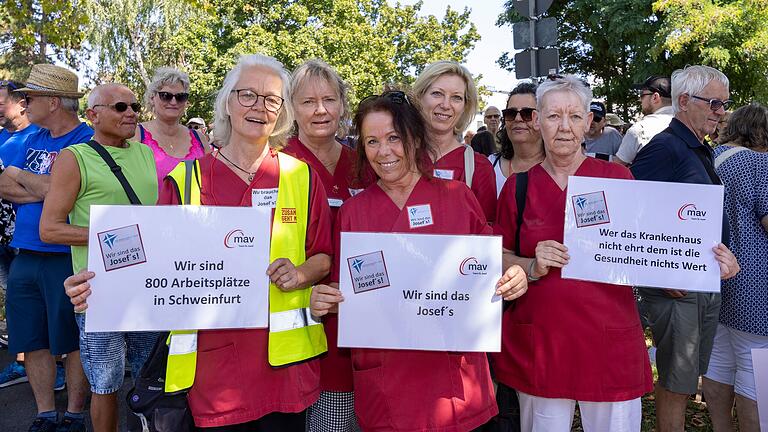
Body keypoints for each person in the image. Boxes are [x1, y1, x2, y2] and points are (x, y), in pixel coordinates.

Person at [309, 90, 528, 431]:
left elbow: (491, 262)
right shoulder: (355, 212)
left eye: (394, 138)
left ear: (414, 137)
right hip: (387, 388)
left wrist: (515, 274)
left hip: (455, 385)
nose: (384, 151)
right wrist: (327, 298)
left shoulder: (455, 197)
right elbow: (348, 290)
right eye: (372, 141)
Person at [492, 75, 654, 431]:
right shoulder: (518, 188)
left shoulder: (616, 179)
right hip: (543, 344)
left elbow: (652, 249)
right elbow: (498, 254)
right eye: (553, 116)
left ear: (587, 122)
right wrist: (531, 263)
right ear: (537, 122)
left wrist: (702, 260)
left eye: (575, 116)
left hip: (608, 341)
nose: (564, 127)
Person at [40, 83, 160, 432]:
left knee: (149, 381)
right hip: (97, 293)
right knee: (105, 385)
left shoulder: (145, 154)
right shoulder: (74, 158)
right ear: (92, 115)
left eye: (135, 105)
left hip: (148, 289)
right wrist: (118, 238)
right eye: (120, 107)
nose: (132, 113)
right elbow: (50, 229)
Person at [631, 65, 741, 432]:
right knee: (678, 384)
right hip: (677, 287)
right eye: (712, 103)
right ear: (682, 101)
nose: (720, 111)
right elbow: (631, 214)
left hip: (701, 283)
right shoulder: (664, 147)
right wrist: (656, 272)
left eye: (723, 104)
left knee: (688, 378)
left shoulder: (697, 147)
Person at [0, 64, 91, 432]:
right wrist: (45, 185)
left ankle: (72, 413)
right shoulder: (22, 139)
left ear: (53, 102)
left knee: (72, 339)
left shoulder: (87, 141)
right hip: (25, 253)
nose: (24, 104)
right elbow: (3, 185)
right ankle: (44, 413)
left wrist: (24, 178)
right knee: (30, 338)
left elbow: (69, 192)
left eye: (30, 98)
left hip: (66, 255)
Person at [283, 58, 368, 432]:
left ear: (342, 105)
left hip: (366, 323)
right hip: (301, 328)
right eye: (307, 101)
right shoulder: (280, 164)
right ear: (291, 109)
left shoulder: (365, 163)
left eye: (329, 100)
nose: (320, 110)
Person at [702, 103, 768, 432]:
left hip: (713, 281)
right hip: (755, 288)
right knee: (755, 374)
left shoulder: (711, 158)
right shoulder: (760, 163)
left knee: (717, 365)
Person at [412, 60, 496, 222]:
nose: (445, 105)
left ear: (465, 106)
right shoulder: (398, 157)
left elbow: (485, 236)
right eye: (437, 93)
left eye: (456, 98)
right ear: (420, 97)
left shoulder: (479, 167)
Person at [135, 67, 208, 181]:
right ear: (152, 98)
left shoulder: (200, 139)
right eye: (165, 96)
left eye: (180, 97)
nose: (173, 102)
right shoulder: (136, 135)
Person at [488, 82, 544, 197]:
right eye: (511, 113)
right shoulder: (489, 165)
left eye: (527, 113)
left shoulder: (559, 169)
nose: (518, 119)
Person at [614, 75, 673, 166]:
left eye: (642, 95)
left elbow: (617, 167)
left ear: (655, 97)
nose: (639, 99)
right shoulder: (689, 125)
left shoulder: (639, 130)